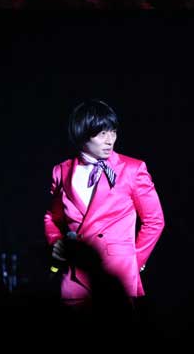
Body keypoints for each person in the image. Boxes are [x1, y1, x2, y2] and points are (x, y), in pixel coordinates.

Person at [44, 99, 164, 306]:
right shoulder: (61, 171)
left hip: (117, 278)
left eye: (113, 132)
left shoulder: (132, 169)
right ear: (82, 133)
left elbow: (154, 221)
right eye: (102, 133)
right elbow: (52, 218)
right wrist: (56, 242)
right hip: (75, 277)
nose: (110, 140)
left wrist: (133, 262)